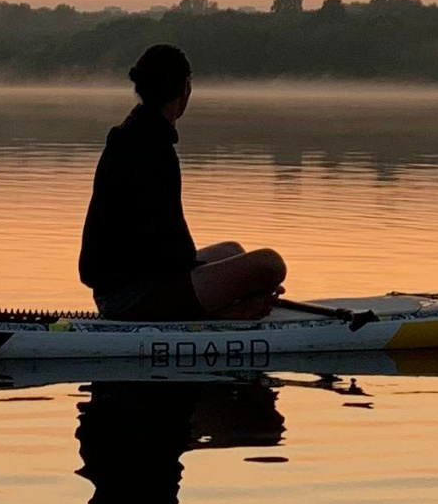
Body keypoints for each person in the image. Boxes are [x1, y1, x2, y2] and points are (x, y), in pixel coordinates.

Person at [78, 44, 286, 322]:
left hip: (125, 285)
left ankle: (231, 306)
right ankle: (225, 316)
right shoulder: (153, 149)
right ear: (185, 87)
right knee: (270, 264)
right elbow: (170, 250)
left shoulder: (133, 133)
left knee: (232, 251)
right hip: (132, 298)